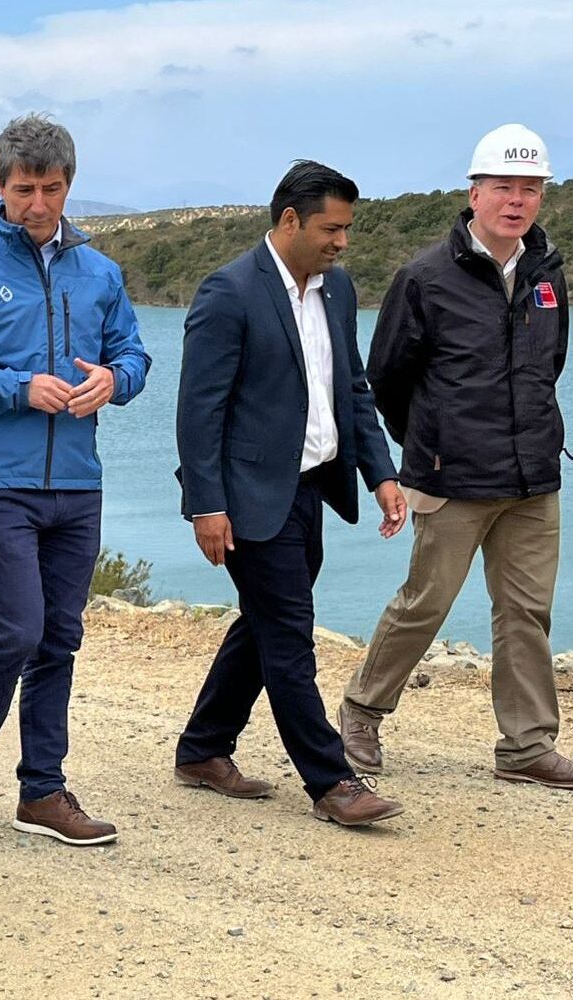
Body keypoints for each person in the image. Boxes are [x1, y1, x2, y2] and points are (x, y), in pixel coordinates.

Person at [337, 125, 573, 790]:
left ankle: (527, 745)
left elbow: (548, 364)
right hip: (450, 477)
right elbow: (386, 378)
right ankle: (360, 713)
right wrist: (428, 444)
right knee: (424, 604)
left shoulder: (546, 272)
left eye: (529, 189)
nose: (516, 201)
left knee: (525, 613)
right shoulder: (424, 277)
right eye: (503, 187)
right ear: (474, 193)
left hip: (533, 478)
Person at [0, 114, 148, 846]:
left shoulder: (100, 273)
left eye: (51, 189)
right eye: (24, 189)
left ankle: (43, 792)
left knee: (59, 636)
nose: (38, 204)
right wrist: (19, 388)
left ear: (68, 186)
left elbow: (134, 356)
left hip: (78, 485)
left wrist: (113, 381)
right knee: (18, 628)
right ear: (1, 186)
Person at [172, 160, 407, 827]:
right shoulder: (229, 291)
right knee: (288, 634)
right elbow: (198, 410)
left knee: (265, 622)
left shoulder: (338, 290)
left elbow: (352, 388)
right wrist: (207, 505)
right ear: (289, 221)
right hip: (247, 496)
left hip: (310, 489)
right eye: (331, 229)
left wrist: (381, 472)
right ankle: (331, 780)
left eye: (347, 229)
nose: (342, 242)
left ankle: (202, 747)